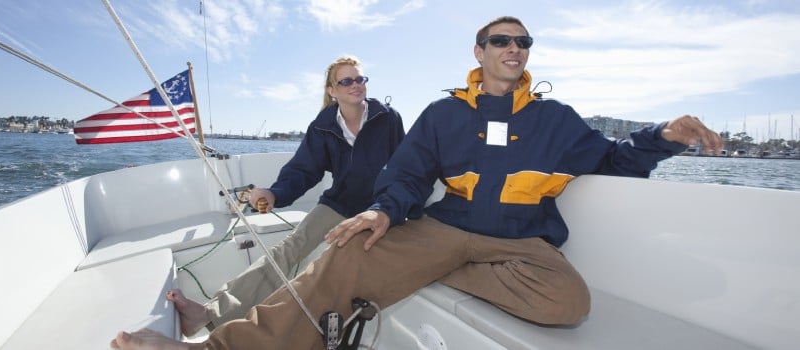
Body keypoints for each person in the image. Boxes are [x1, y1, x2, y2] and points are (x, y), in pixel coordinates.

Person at [111, 16, 723, 349]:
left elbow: (612, 159)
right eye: (501, 40)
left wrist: (663, 137)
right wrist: (382, 211)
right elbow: (404, 176)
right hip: (444, 227)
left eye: (523, 42)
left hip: (519, 238)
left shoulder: (556, 121)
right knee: (340, 252)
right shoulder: (442, 115)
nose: (514, 48)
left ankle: (424, 269)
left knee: (569, 305)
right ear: (480, 51)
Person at [164, 55, 405, 336]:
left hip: (380, 206)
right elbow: (303, 171)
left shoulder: (388, 118)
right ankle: (208, 313)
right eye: (346, 81)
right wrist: (275, 193)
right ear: (332, 90)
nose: (356, 85)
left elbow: (405, 166)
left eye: (360, 79)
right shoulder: (322, 126)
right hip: (341, 203)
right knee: (289, 248)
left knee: (342, 261)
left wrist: (391, 207)